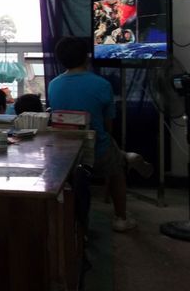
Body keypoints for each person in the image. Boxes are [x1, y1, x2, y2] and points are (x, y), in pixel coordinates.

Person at [47, 36, 153, 232]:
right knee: (116, 171)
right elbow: (107, 124)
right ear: (87, 57)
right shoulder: (101, 84)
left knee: (110, 149)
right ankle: (121, 218)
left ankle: (125, 156)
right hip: (96, 149)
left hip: (64, 152)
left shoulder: (53, 84)